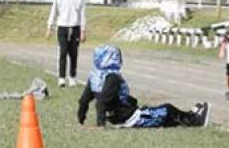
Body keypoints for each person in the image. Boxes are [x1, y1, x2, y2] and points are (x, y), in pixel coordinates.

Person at [78, 45, 210, 128]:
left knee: (164, 120)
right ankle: (196, 120)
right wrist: (100, 125)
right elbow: (102, 102)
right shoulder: (112, 78)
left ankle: (188, 115)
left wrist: (81, 117)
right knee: (167, 110)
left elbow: (84, 100)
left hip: (119, 117)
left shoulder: (95, 77)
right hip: (130, 118)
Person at [46, 0, 87, 87]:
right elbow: (53, 13)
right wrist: (50, 28)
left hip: (75, 28)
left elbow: (82, 15)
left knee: (73, 53)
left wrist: (83, 31)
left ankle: (72, 77)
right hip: (62, 28)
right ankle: (61, 78)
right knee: (63, 52)